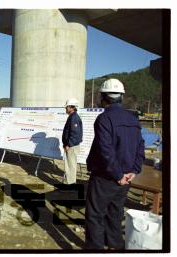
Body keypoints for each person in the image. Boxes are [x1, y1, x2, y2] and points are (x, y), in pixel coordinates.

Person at [84, 78, 145, 249]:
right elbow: (141, 147)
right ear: (121, 97)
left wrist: (118, 175)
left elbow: (106, 151)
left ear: (104, 97)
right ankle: (115, 247)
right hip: (126, 178)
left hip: (106, 177)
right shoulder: (133, 119)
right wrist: (134, 170)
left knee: (95, 216)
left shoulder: (104, 118)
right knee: (115, 214)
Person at [62, 98, 83, 185]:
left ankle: (71, 184)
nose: (65, 109)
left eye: (67, 107)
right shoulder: (72, 117)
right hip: (71, 145)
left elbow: (75, 134)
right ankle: (71, 183)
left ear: (71, 107)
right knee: (70, 165)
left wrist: (68, 144)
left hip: (72, 146)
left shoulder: (74, 118)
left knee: (71, 166)